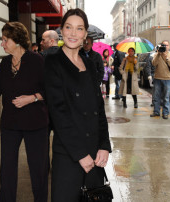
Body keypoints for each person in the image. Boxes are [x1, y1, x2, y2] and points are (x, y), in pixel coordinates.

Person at [0, 22, 49, 202]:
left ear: (17, 40)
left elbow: (50, 89)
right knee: (7, 168)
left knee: (38, 169)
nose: (2, 44)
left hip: (35, 123)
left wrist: (32, 98)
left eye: (5, 40)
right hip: (10, 123)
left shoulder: (37, 60)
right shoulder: (5, 62)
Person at [44, 8, 112, 202]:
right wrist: (80, 154)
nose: (73, 33)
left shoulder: (89, 64)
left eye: (79, 28)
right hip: (69, 153)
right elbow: (59, 113)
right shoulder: (52, 62)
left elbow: (99, 108)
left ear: (85, 34)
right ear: (61, 31)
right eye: (68, 27)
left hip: (95, 154)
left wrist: (104, 146)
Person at [150, 40, 170, 119]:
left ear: (169, 46)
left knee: (166, 97)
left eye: (167, 45)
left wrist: (166, 57)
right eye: (163, 45)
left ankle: (165, 113)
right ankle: (156, 111)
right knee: (156, 97)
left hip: (167, 79)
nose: (165, 47)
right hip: (157, 78)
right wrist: (159, 54)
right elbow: (154, 64)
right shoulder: (156, 54)